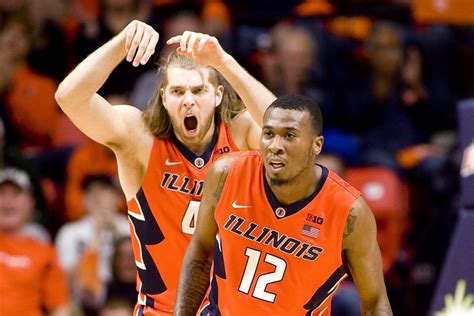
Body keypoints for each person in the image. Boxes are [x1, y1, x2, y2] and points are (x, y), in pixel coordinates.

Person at [55, 20, 275, 314]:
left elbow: (291, 135)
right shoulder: (140, 139)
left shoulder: (241, 132)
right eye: (177, 91)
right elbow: (68, 97)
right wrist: (123, 41)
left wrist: (225, 63)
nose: (188, 101)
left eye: (198, 90)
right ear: (164, 98)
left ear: (219, 95)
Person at [174, 94, 392, 315]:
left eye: (289, 135)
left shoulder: (350, 212)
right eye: (268, 134)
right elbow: (201, 251)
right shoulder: (226, 174)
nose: (275, 146)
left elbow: (374, 303)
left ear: (316, 145)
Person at [0, 167, 70, 316]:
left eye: (15, 194)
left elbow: (59, 307)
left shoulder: (44, 251)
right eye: (2, 194)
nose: (7, 202)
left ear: (30, 203)